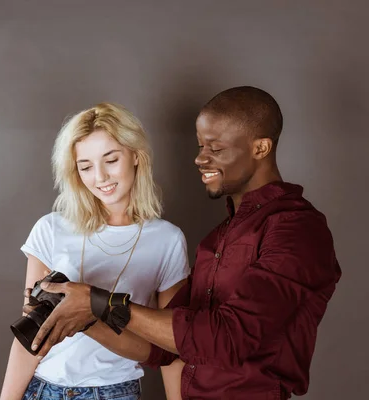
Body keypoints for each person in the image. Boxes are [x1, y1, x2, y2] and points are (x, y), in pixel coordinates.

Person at [27, 86, 342, 399]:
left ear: (260, 148)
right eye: (200, 145)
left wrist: (100, 301)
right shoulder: (219, 238)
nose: (199, 158)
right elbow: (160, 348)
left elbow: (230, 338)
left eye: (214, 148)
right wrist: (80, 316)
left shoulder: (297, 229)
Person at [0, 102, 191, 400]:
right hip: (43, 391)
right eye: (86, 166)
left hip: (116, 392)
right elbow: (32, 335)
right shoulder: (50, 229)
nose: (99, 177)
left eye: (111, 160)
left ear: (136, 156)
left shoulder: (167, 240)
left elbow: (174, 343)